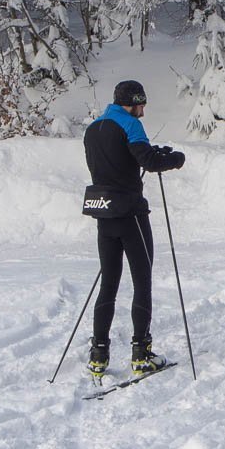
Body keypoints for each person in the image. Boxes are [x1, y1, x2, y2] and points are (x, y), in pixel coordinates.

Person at [82, 80, 185, 378]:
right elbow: (148, 162)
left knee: (109, 285)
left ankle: (98, 354)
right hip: (131, 215)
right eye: (142, 105)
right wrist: (174, 159)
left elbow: (115, 164)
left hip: (105, 215)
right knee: (142, 281)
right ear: (133, 102)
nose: (143, 111)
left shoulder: (94, 129)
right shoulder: (130, 124)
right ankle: (141, 353)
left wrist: (149, 155)